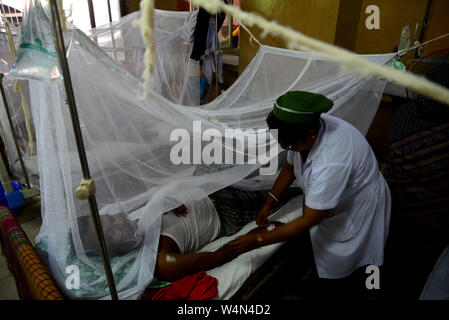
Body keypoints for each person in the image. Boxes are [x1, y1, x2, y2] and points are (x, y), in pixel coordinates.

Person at [227, 91, 391, 298]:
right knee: (329, 261)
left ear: (310, 133)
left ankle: (368, 290)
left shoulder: (331, 160)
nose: (283, 146)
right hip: (331, 207)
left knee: (364, 264)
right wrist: (269, 203)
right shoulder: (303, 130)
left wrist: (258, 240)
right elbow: (289, 168)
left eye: (287, 144)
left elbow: (309, 220)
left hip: (359, 209)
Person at [382, 63, 449, 299]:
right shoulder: (442, 135)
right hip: (430, 226)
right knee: (419, 276)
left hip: (395, 210)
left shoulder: (405, 115)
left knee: (394, 267)